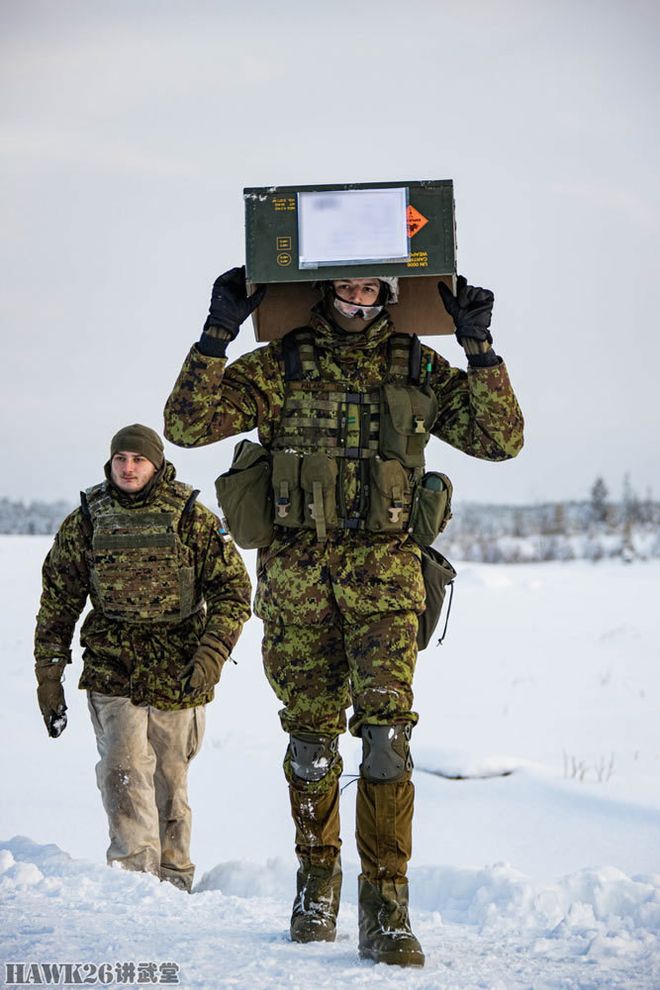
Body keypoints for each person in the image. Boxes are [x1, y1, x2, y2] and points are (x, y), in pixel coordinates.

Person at [163, 268, 524, 962]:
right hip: (298, 582)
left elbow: (500, 438)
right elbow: (185, 424)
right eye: (348, 288)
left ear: (387, 295)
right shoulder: (281, 364)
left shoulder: (416, 365)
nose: (358, 301)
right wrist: (217, 334)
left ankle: (387, 909)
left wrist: (480, 350)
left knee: (387, 737)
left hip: (386, 582)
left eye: (371, 290)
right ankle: (316, 886)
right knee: (311, 742)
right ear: (326, 290)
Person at [34, 424, 252, 892]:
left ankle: (174, 881)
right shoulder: (88, 520)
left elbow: (233, 591)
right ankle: (134, 885)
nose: (128, 468)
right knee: (123, 775)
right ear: (110, 462)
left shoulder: (191, 517)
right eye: (121, 459)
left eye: (138, 460)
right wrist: (48, 675)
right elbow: (58, 601)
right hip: (112, 667)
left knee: (170, 784)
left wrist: (211, 655)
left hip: (181, 669)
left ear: (156, 464)